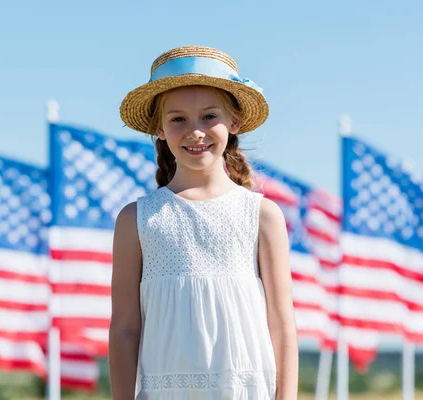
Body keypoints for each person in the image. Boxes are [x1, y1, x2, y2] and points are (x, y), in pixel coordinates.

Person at [109, 45, 298, 399]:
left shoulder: (262, 215)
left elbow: (282, 325)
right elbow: (124, 329)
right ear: (160, 129)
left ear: (234, 123)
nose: (195, 131)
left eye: (209, 116)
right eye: (178, 119)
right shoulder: (137, 219)